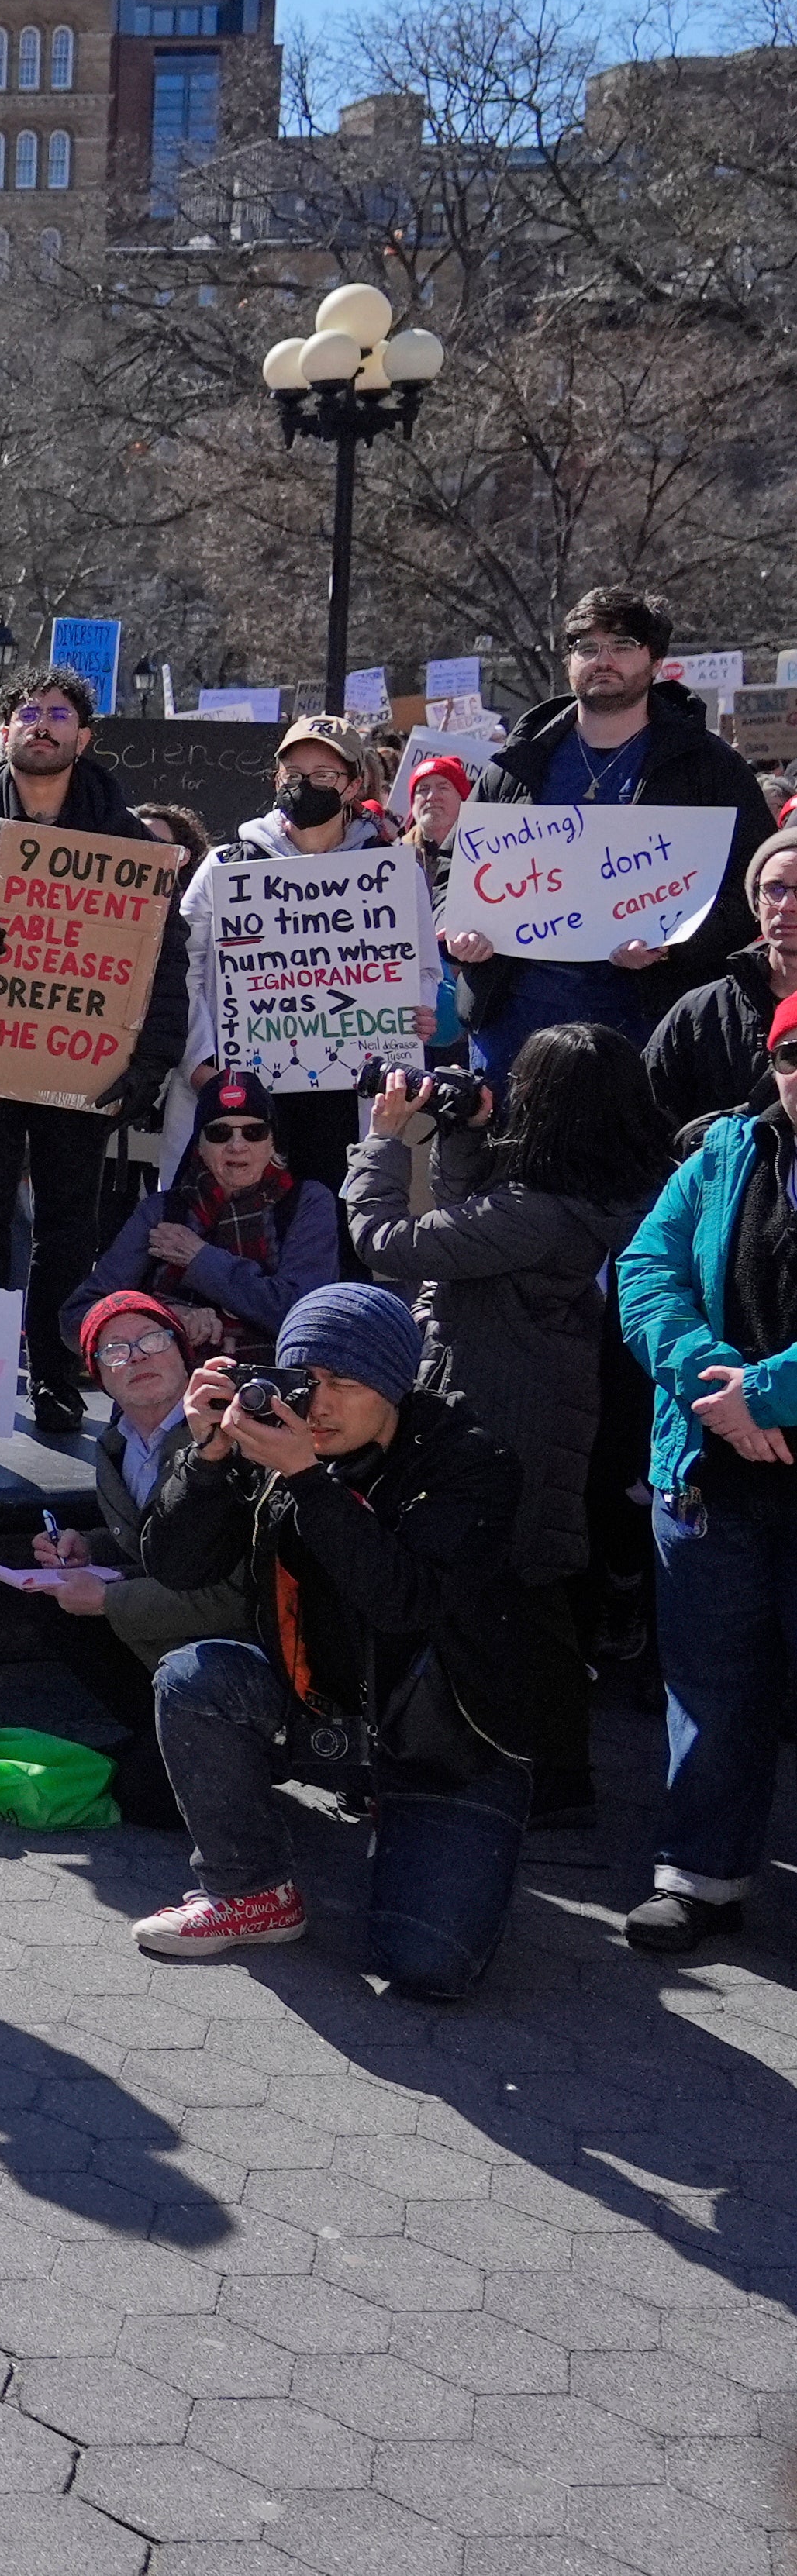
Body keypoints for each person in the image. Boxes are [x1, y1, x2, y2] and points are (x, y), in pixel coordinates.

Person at [129, 1284, 537, 1995]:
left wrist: (305, 1477)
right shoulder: (274, 1434)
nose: (315, 1406)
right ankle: (249, 1891)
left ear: (393, 1386)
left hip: (442, 1742)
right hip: (317, 1709)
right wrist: (207, 1458)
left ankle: (423, 1829)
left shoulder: (469, 1461)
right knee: (193, 1678)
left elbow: (404, 1600)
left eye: (343, 1384)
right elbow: (176, 1569)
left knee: (428, 1967)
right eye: (303, 1380)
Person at [342, 1023, 668, 1829]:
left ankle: (547, 1776)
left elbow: (389, 1241)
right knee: (526, 1579)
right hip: (539, 1394)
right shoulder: (587, 1193)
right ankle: (536, 1768)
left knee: (517, 1584)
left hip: (499, 1401)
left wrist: (384, 1143)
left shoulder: (536, 1212)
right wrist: (466, 1134)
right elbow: (469, 1217)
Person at [0, 669, 188, 1429]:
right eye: (28, 713)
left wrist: (149, 1066)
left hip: (81, 1066)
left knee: (67, 1230)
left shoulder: (127, 842)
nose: (42, 725)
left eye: (58, 714)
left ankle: (53, 1375)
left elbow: (164, 958)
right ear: (4, 732)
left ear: (84, 737)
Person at [609, 991, 797, 1954]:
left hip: (759, 1431)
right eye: (793, 1053)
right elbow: (646, 1273)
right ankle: (699, 1878)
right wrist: (709, 1379)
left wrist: (769, 1392)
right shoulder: (723, 1150)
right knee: (712, 1686)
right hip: (710, 1472)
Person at [450, 584, 769, 1077]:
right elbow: (450, 870)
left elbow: (755, 886)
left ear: (655, 661)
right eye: (587, 647)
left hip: (650, 1028)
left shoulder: (708, 768)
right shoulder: (518, 764)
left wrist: (675, 943)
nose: (603, 660)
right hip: (513, 1027)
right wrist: (456, 928)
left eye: (622, 646)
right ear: (569, 663)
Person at [15, 1293, 231, 1831]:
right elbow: (148, 1543)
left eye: (152, 1339)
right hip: (168, 1626)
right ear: (99, 1378)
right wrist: (89, 1548)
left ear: (182, 1353)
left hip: (235, 1647)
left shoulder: (226, 1439)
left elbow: (234, 1594)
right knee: (48, 1591)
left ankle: (219, 1745)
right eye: (114, 1351)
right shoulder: (117, 1443)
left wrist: (108, 1599)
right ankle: (157, 1731)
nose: (136, 1357)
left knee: (145, 1800)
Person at [173, 718, 404, 1188]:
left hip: (347, 1096)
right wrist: (199, 1064)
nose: (305, 786)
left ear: (353, 784)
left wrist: (413, 1015)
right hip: (239, 1093)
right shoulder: (225, 867)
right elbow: (182, 967)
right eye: (293, 774)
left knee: (337, 1220)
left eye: (324, 775)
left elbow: (415, 970)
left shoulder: (390, 871)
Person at [62, 1071, 343, 1367]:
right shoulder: (162, 1212)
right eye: (220, 1133)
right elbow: (78, 1318)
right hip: (176, 1381)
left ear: (273, 1142)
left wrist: (202, 1260)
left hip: (277, 1377)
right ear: (200, 1145)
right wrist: (162, 1319)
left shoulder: (306, 1202)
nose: (237, 1145)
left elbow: (306, 1317)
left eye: (254, 1132)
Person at [643, 824, 797, 1131]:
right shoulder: (700, 1011)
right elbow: (649, 1118)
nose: (787, 905)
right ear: (756, 904)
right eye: (774, 889)